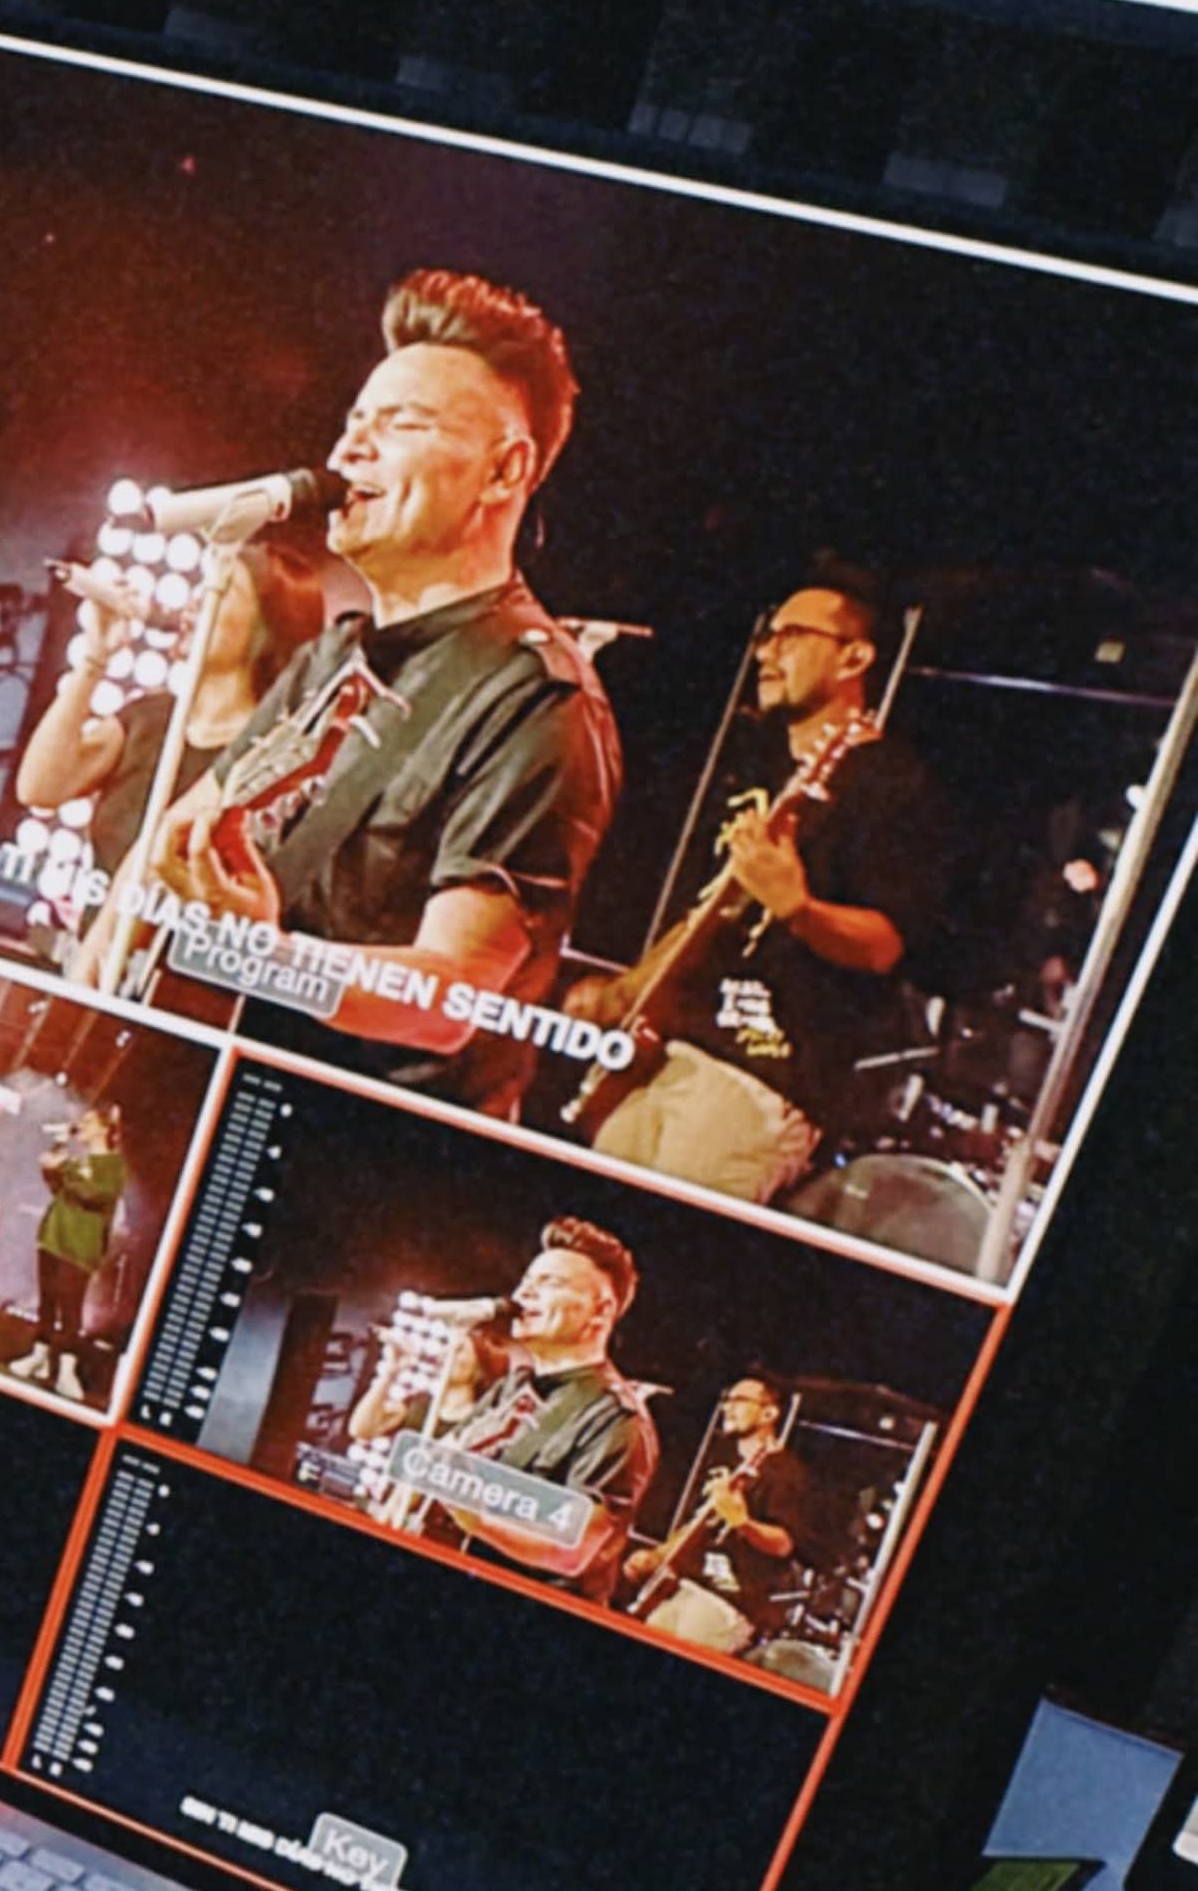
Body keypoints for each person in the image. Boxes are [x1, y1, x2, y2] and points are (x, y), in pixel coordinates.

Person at [157, 272, 622, 1116]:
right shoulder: (332, 657)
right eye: (352, 426)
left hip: (348, 1150)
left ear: (502, 470)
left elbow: (450, 999)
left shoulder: (538, 703)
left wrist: (263, 955)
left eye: (401, 425)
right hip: (208, 1089)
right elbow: (183, 830)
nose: (347, 454)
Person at [579, 583, 950, 1200]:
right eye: (766, 636)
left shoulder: (893, 786)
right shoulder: (763, 773)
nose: (766, 653)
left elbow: (885, 945)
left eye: (792, 636)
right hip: (674, 1053)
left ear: (854, 659)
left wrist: (798, 910)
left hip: (763, 1077)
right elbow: (708, 912)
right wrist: (626, 992)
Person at [13, 517, 330, 977]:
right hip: (87, 965)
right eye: (201, 586)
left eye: (222, 593)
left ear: (266, 628)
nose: (196, 602)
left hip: (174, 988)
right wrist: (96, 657)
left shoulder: (270, 754)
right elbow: (39, 786)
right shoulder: (150, 719)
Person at [347, 1211, 659, 1594]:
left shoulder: (615, 1419)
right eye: (526, 1282)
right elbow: (446, 1454)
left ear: (601, 1311)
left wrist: (472, 1512)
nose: (523, 1294)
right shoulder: (512, 1387)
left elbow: (573, 1550)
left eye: (550, 1283)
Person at [625, 1371, 826, 1656]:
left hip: (729, 1603)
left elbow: (783, 1544)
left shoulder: (786, 1473)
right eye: (727, 1400)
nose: (727, 1408)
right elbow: (698, 1526)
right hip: (687, 1589)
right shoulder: (728, 1466)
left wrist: (742, 1522)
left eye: (740, 1400)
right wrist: (657, 1556)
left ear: (769, 1413)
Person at [12, 1097, 127, 1400]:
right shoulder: (78, 1162)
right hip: (54, 1236)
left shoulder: (113, 1166)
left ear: (105, 1129)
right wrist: (54, 1160)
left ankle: (66, 1371)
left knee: (70, 1309)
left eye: (89, 1123)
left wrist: (65, 1170)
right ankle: (38, 1356)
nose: (82, 1127)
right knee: (47, 1302)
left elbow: (95, 1195)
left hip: (80, 1245)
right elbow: (58, 1186)